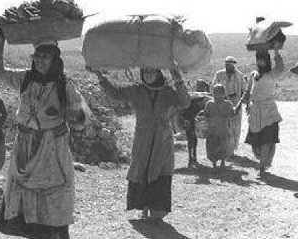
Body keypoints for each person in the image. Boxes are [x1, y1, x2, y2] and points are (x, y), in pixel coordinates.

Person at [0, 29, 93, 239]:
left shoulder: (64, 85)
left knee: (50, 195)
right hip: (24, 147)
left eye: (45, 56)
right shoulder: (25, 79)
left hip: (51, 149)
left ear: (55, 58)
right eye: (36, 56)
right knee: (23, 194)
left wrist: (74, 117)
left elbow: (82, 119)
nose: (39, 60)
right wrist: (0, 41)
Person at [92, 66, 190, 221]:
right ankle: (143, 207)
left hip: (162, 139)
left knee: (160, 169)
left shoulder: (168, 92)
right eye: (146, 72)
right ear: (142, 73)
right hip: (142, 138)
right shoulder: (136, 90)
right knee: (141, 169)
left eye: (152, 72)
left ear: (158, 73)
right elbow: (115, 94)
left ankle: (156, 209)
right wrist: (101, 77)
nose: (149, 75)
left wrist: (178, 80)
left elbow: (185, 102)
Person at [244, 44, 284, 177]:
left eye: (263, 59)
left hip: (269, 112)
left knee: (267, 139)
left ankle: (262, 166)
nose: (260, 62)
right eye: (258, 59)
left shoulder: (272, 74)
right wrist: (244, 103)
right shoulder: (253, 74)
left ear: (267, 60)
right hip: (255, 111)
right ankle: (262, 160)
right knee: (255, 143)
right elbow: (247, 91)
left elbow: (280, 67)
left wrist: (277, 52)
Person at [212, 56, 246, 158]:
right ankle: (222, 149)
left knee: (235, 127)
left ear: (234, 64)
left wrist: (242, 102)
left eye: (230, 64)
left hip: (236, 104)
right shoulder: (219, 74)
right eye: (227, 64)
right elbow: (213, 87)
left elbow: (244, 91)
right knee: (223, 127)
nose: (228, 65)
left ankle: (232, 150)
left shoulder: (240, 76)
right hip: (221, 104)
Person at [203, 84, 241, 170]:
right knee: (213, 147)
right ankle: (215, 163)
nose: (217, 95)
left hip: (223, 130)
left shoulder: (227, 104)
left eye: (219, 93)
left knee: (223, 147)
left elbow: (232, 114)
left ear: (223, 94)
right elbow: (206, 114)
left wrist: (240, 104)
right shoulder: (209, 104)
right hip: (214, 131)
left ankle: (222, 162)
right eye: (215, 93)